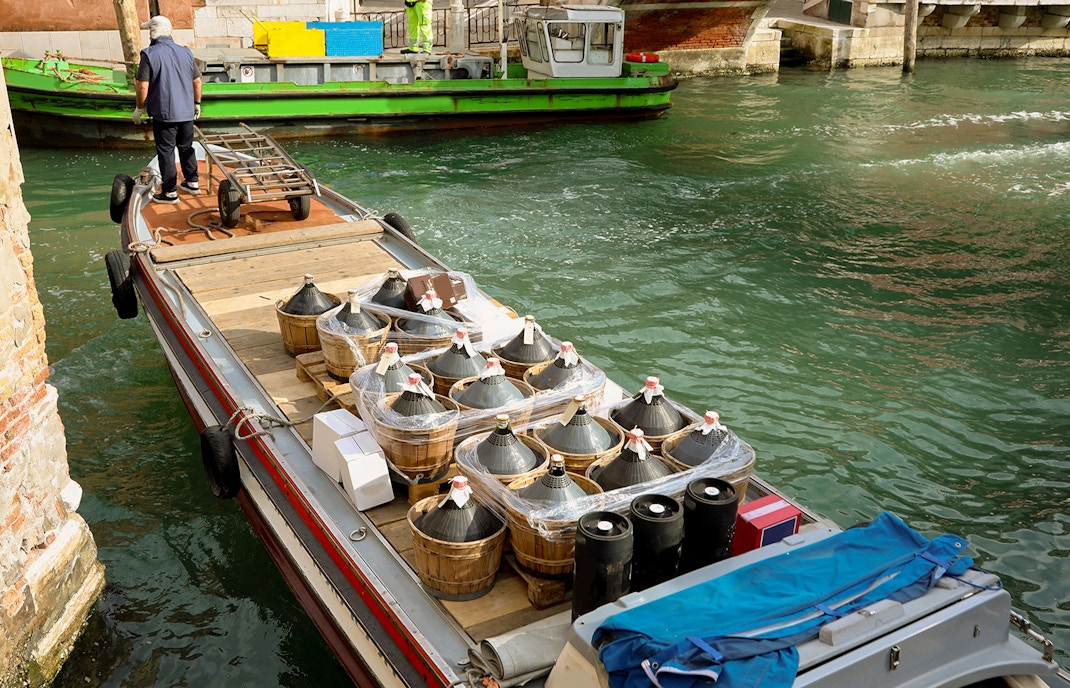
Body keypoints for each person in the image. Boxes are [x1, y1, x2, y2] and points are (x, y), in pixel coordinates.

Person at [132, 15, 203, 204]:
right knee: (186, 147)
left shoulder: (148, 54)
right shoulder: (186, 52)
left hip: (164, 114)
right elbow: (197, 81)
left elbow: (142, 86)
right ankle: (193, 182)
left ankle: (170, 192)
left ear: (153, 32)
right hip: (186, 112)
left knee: (166, 151)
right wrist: (196, 104)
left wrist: (139, 108)